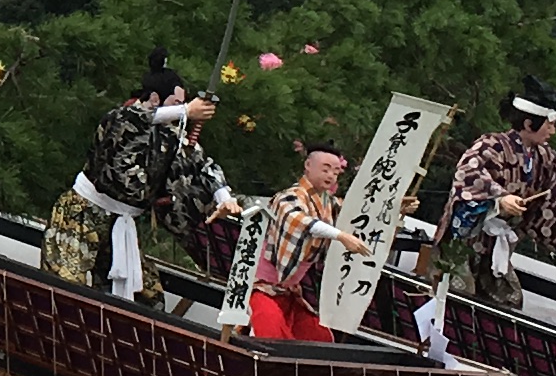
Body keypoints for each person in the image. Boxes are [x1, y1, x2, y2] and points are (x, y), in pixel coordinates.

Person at [44, 57, 223, 304]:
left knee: (150, 299)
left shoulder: (171, 135)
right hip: (82, 215)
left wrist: (224, 196)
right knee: (66, 287)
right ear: (155, 98)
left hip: (121, 225)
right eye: (177, 102)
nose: (182, 108)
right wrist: (186, 111)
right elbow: (131, 118)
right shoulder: (123, 118)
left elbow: (203, 165)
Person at [439, 97, 556, 300]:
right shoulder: (491, 144)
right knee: (457, 294)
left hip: (498, 245)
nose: (552, 131)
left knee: (511, 299)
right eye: (549, 125)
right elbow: (469, 174)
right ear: (528, 123)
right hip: (465, 241)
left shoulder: (543, 156)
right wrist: (501, 198)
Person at [245, 146, 349, 342]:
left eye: (335, 172)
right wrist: (340, 235)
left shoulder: (328, 202)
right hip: (261, 286)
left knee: (319, 337)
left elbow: (355, 214)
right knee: (270, 333)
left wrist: (396, 207)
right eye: (325, 169)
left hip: (289, 290)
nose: (331, 176)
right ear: (308, 165)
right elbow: (297, 220)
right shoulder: (289, 197)